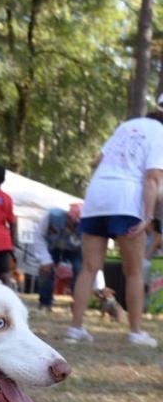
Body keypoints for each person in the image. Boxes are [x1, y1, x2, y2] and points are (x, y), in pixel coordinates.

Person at [67, 108, 163, 346]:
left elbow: (97, 160)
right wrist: (148, 216)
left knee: (89, 268)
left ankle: (75, 328)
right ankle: (136, 331)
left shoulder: (125, 127)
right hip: (126, 199)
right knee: (134, 271)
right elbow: (152, 177)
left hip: (97, 196)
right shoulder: (160, 133)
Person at [33, 203, 82, 312]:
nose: (75, 227)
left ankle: (78, 303)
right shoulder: (52, 216)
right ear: (68, 217)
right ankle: (45, 303)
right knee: (45, 269)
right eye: (74, 224)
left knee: (81, 271)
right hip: (53, 247)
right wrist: (45, 259)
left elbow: (91, 254)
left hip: (76, 251)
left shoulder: (88, 228)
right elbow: (38, 235)